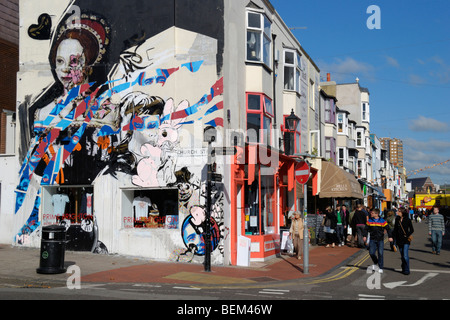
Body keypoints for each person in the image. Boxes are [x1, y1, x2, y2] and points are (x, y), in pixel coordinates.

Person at [363, 208, 393, 273]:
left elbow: (388, 229)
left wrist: (390, 237)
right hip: (372, 239)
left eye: (372, 213)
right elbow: (365, 229)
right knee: (371, 252)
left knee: (380, 253)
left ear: (376, 214)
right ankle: (376, 261)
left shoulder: (382, 221)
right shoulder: (369, 221)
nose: (370, 214)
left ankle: (380, 267)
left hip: (380, 240)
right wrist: (364, 236)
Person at [393, 207, 414, 275]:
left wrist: (407, 235)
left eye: (398, 211)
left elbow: (412, 229)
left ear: (402, 212)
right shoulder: (397, 219)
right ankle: (403, 266)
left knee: (405, 256)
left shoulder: (407, 220)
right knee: (402, 256)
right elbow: (395, 230)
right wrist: (394, 241)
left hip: (406, 240)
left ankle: (407, 270)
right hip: (399, 240)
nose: (397, 212)